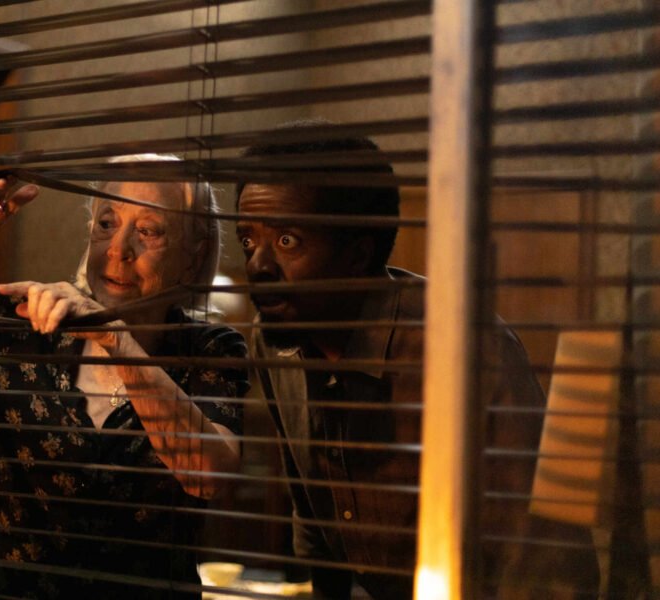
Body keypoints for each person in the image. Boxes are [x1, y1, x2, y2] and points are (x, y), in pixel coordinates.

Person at [233, 128, 600, 599]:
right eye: (247, 240)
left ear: (356, 255)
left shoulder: (464, 350)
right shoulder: (275, 338)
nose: (257, 266)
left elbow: (544, 560)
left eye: (287, 240)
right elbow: (313, 510)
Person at [0, 155, 249, 599]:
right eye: (107, 223)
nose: (118, 249)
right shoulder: (21, 324)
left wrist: (117, 340)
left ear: (195, 255)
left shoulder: (209, 349)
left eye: (148, 231)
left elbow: (209, 476)